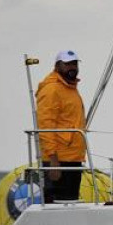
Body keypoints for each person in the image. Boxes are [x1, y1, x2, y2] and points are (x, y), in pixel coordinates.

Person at [36, 50, 86, 203]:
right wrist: (53, 160)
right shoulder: (52, 89)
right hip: (59, 159)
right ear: (57, 66)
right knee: (56, 204)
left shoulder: (70, 88)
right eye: (67, 64)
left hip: (73, 157)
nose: (72, 67)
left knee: (70, 203)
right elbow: (46, 126)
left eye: (74, 64)